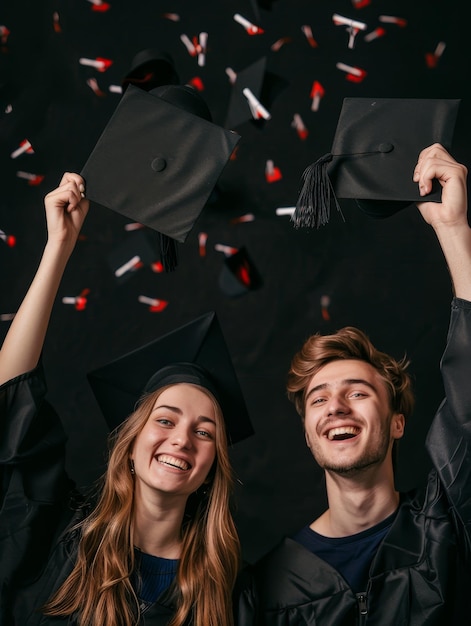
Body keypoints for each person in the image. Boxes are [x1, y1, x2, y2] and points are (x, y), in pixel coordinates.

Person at [0, 173, 251, 626]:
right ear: (131, 442)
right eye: (166, 420)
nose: (182, 440)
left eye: (204, 431)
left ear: (214, 466)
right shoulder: (57, 534)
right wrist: (58, 248)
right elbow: (10, 396)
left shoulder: (229, 594)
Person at [238, 143, 471, 624]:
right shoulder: (267, 590)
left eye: (358, 392)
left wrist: (453, 230)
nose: (336, 406)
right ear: (308, 432)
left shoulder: (446, 529)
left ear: (398, 422)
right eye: (318, 399)